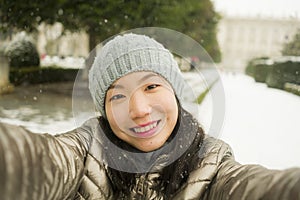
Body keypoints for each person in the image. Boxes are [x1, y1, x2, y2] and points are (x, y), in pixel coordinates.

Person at [1, 33, 300, 200]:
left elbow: (254, 188)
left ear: (175, 92)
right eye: (117, 95)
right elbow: (35, 162)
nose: (139, 109)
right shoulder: (84, 150)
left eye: (152, 86)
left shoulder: (211, 163)